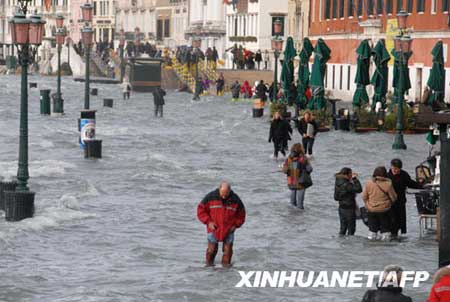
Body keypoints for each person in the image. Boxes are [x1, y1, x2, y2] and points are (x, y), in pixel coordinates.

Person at [197, 182, 246, 267]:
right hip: (213, 228)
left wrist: (235, 225)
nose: (224, 196)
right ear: (219, 189)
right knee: (211, 251)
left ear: (229, 191)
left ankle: (226, 272)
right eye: (222, 194)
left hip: (229, 229)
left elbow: (242, 215)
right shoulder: (210, 197)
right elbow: (200, 210)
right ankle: (209, 269)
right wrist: (208, 222)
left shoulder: (236, 199)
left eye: (226, 194)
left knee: (228, 252)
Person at [388, 158, 422, 240]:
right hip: (390, 203)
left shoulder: (404, 175)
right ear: (391, 167)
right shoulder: (387, 176)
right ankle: (393, 237)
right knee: (392, 222)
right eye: (395, 169)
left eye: (398, 169)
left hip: (401, 201)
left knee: (400, 222)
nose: (396, 171)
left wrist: (421, 185)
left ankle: (397, 239)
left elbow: (411, 183)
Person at [362, 167, 397, 241]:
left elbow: (364, 196)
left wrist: (367, 205)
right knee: (385, 229)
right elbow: (394, 197)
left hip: (371, 209)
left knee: (372, 229)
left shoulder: (369, 183)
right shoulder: (388, 184)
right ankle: (384, 247)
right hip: (384, 210)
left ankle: (372, 244)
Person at [282, 143, 312, 209]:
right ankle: (301, 218)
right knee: (300, 205)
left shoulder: (289, 158)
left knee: (292, 204)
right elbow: (309, 169)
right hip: (301, 182)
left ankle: (292, 218)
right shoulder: (303, 159)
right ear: (301, 150)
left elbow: (285, 170)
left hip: (292, 182)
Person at [334, 167, 362, 236]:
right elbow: (359, 189)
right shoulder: (347, 184)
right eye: (351, 173)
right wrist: (355, 179)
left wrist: (344, 196)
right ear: (347, 174)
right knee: (351, 229)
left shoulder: (337, 182)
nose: (351, 175)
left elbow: (336, 197)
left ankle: (341, 244)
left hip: (341, 208)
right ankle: (349, 245)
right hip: (349, 208)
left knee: (343, 229)